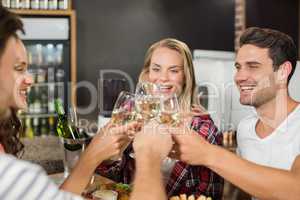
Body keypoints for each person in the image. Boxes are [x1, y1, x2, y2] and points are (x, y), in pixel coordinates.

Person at [0, 5, 136, 199]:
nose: (30, 79)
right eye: (18, 68)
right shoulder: (14, 175)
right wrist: (149, 156)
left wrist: (95, 153)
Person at [171, 27, 300, 200]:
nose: (239, 77)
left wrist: (208, 153)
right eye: (238, 67)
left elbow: (295, 188)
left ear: (283, 72)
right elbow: (246, 188)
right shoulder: (246, 128)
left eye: (253, 67)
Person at [97, 38, 224, 199]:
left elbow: (210, 196)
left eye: (173, 70)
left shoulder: (204, 130)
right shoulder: (131, 111)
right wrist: (111, 155)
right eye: (156, 69)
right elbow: (107, 180)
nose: (163, 78)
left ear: (186, 76)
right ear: (147, 73)